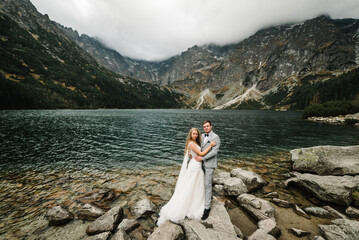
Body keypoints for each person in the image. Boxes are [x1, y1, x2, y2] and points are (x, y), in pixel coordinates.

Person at [157, 127, 216, 226]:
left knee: (193, 184)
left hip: (194, 164)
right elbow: (201, 153)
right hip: (195, 166)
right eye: (194, 134)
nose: (195, 135)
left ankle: (195, 200)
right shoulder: (191, 143)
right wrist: (210, 145)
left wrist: (195, 156)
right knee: (193, 184)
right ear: (190, 134)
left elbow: (192, 154)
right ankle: (192, 204)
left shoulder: (193, 143)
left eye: (196, 134)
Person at [195, 120, 220, 220]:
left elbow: (214, 152)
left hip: (209, 165)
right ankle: (201, 201)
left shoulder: (216, 137)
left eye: (207, 126)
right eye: (204, 126)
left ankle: (207, 208)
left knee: (207, 185)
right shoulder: (201, 136)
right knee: (201, 183)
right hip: (200, 164)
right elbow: (199, 148)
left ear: (211, 126)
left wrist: (202, 158)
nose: (206, 128)